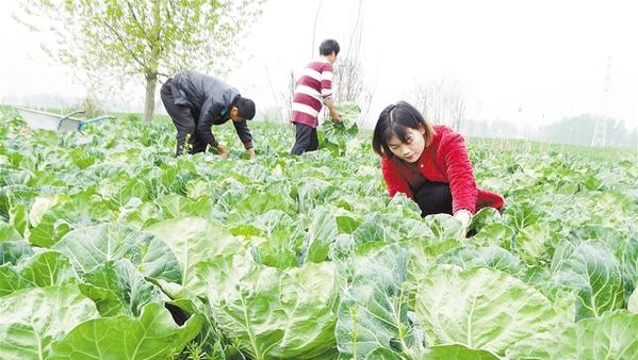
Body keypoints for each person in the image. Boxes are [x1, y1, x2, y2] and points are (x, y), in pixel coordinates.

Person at [372, 101, 504, 233]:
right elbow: (402, 199)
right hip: (426, 210)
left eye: (408, 141)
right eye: (395, 147)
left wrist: (461, 220)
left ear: (421, 128)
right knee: (429, 195)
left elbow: (462, 180)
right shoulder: (390, 159)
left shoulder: (448, 141)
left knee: (437, 193)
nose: (405, 151)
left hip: (462, 206)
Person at [160, 71, 256, 159]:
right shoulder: (218, 101)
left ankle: (195, 163)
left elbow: (242, 128)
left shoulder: (238, 104)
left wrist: (251, 151)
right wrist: (218, 146)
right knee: (188, 128)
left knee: (202, 138)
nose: (241, 121)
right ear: (235, 111)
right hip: (175, 90)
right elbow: (203, 128)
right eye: (241, 119)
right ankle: (180, 161)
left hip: (194, 101)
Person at [290, 39, 342, 155]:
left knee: (312, 145)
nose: (335, 60)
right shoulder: (326, 65)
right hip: (306, 108)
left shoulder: (312, 63)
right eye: (336, 56)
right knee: (302, 143)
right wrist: (333, 111)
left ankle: (308, 169)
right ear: (333, 53)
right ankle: (288, 167)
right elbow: (326, 92)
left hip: (301, 106)